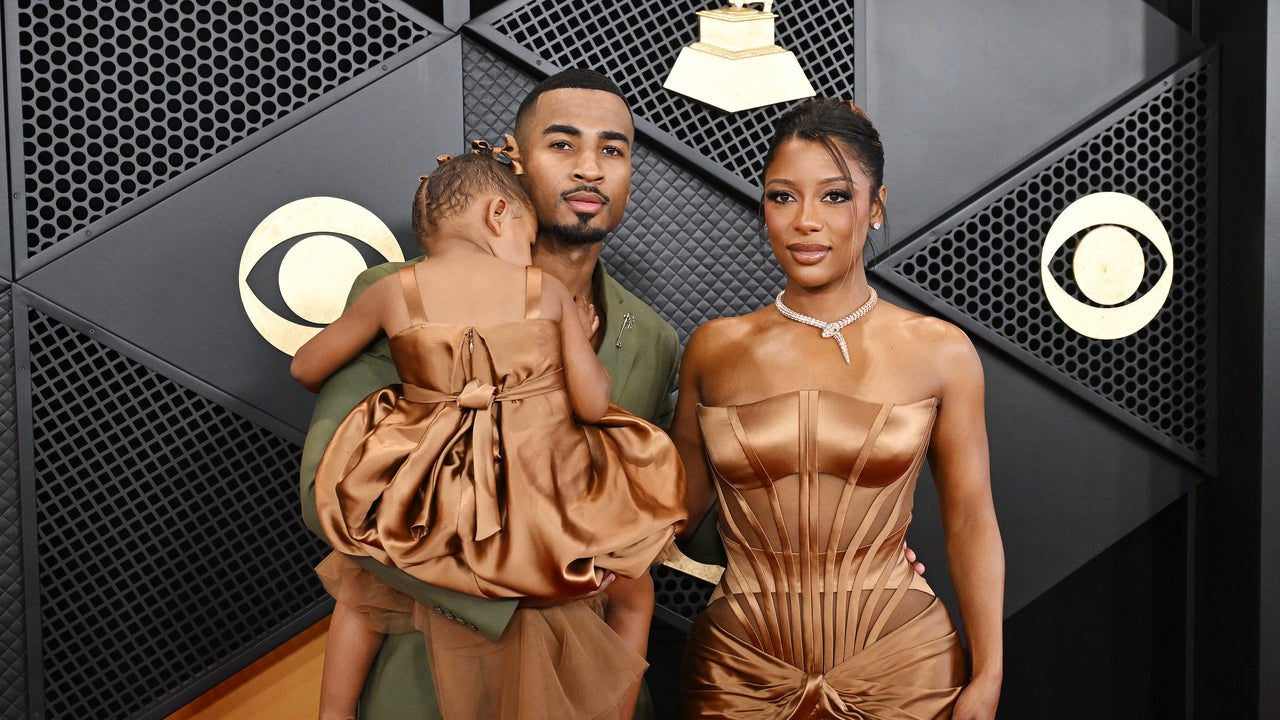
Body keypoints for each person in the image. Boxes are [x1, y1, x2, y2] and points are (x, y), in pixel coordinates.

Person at [297, 69, 682, 719]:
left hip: (587, 691)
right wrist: (529, 578)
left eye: (612, 150)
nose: (590, 167)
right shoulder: (402, 292)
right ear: (516, 160)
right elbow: (326, 488)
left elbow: (639, 508)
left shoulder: (654, 337)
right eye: (562, 144)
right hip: (427, 685)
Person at [671, 99, 1004, 719]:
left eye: (834, 196)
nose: (805, 221)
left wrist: (988, 675)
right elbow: (672, 516)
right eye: (782, 196)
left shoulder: (941, 351)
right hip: (737, 672)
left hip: (904, 668)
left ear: (876, 207)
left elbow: (970, 519)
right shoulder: (715, 349)